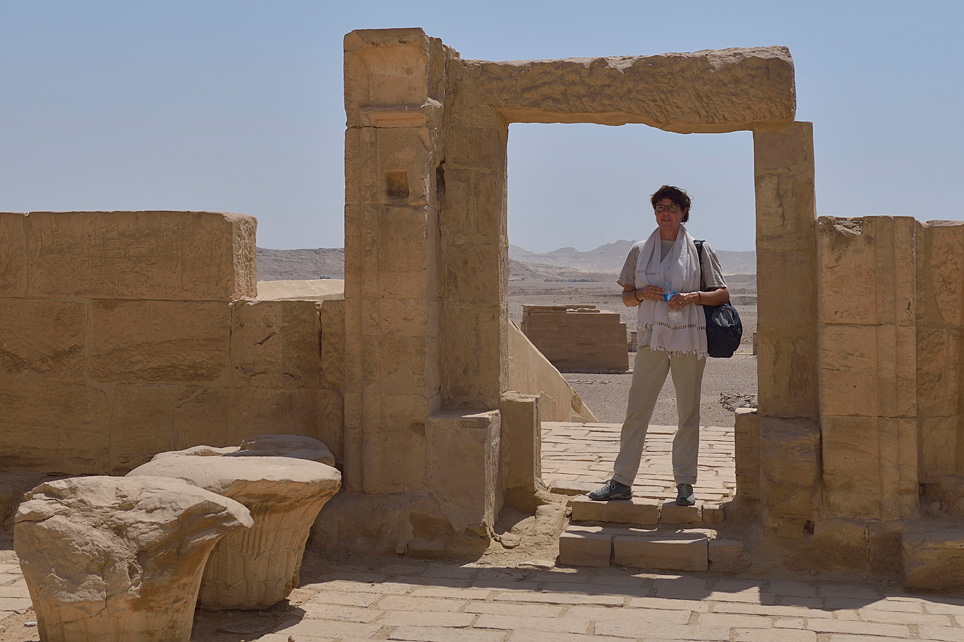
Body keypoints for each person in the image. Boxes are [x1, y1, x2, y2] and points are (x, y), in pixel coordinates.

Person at [588, 185, 729, 506]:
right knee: (636, 411)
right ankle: (621, 481)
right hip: (652, 339)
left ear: (683, 213)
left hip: (688, 341)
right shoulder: (640, 250)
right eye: (660, 208)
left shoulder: (700, 250)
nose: (665, 213)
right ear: (654, 213)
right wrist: (641, 294)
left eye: (672, 208)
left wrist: (692, 297)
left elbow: (722, 294)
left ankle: (685, 483)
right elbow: (627, 298)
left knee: (687, 413)